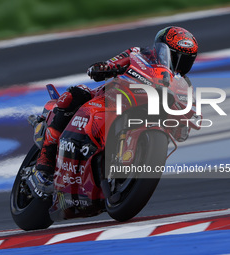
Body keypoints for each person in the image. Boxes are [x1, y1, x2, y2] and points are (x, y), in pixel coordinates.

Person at [28, 26, 198, 196]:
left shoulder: (183, 85)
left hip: (147, 112)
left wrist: (187, 118)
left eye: (185, 59)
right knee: (74, 94)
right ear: (162, 48)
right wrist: (104, 67)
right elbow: (114, 62)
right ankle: (45, 163)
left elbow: (186, 113)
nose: (179, 62)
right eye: (175, 56)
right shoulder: (138, 54)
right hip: (113, 96)